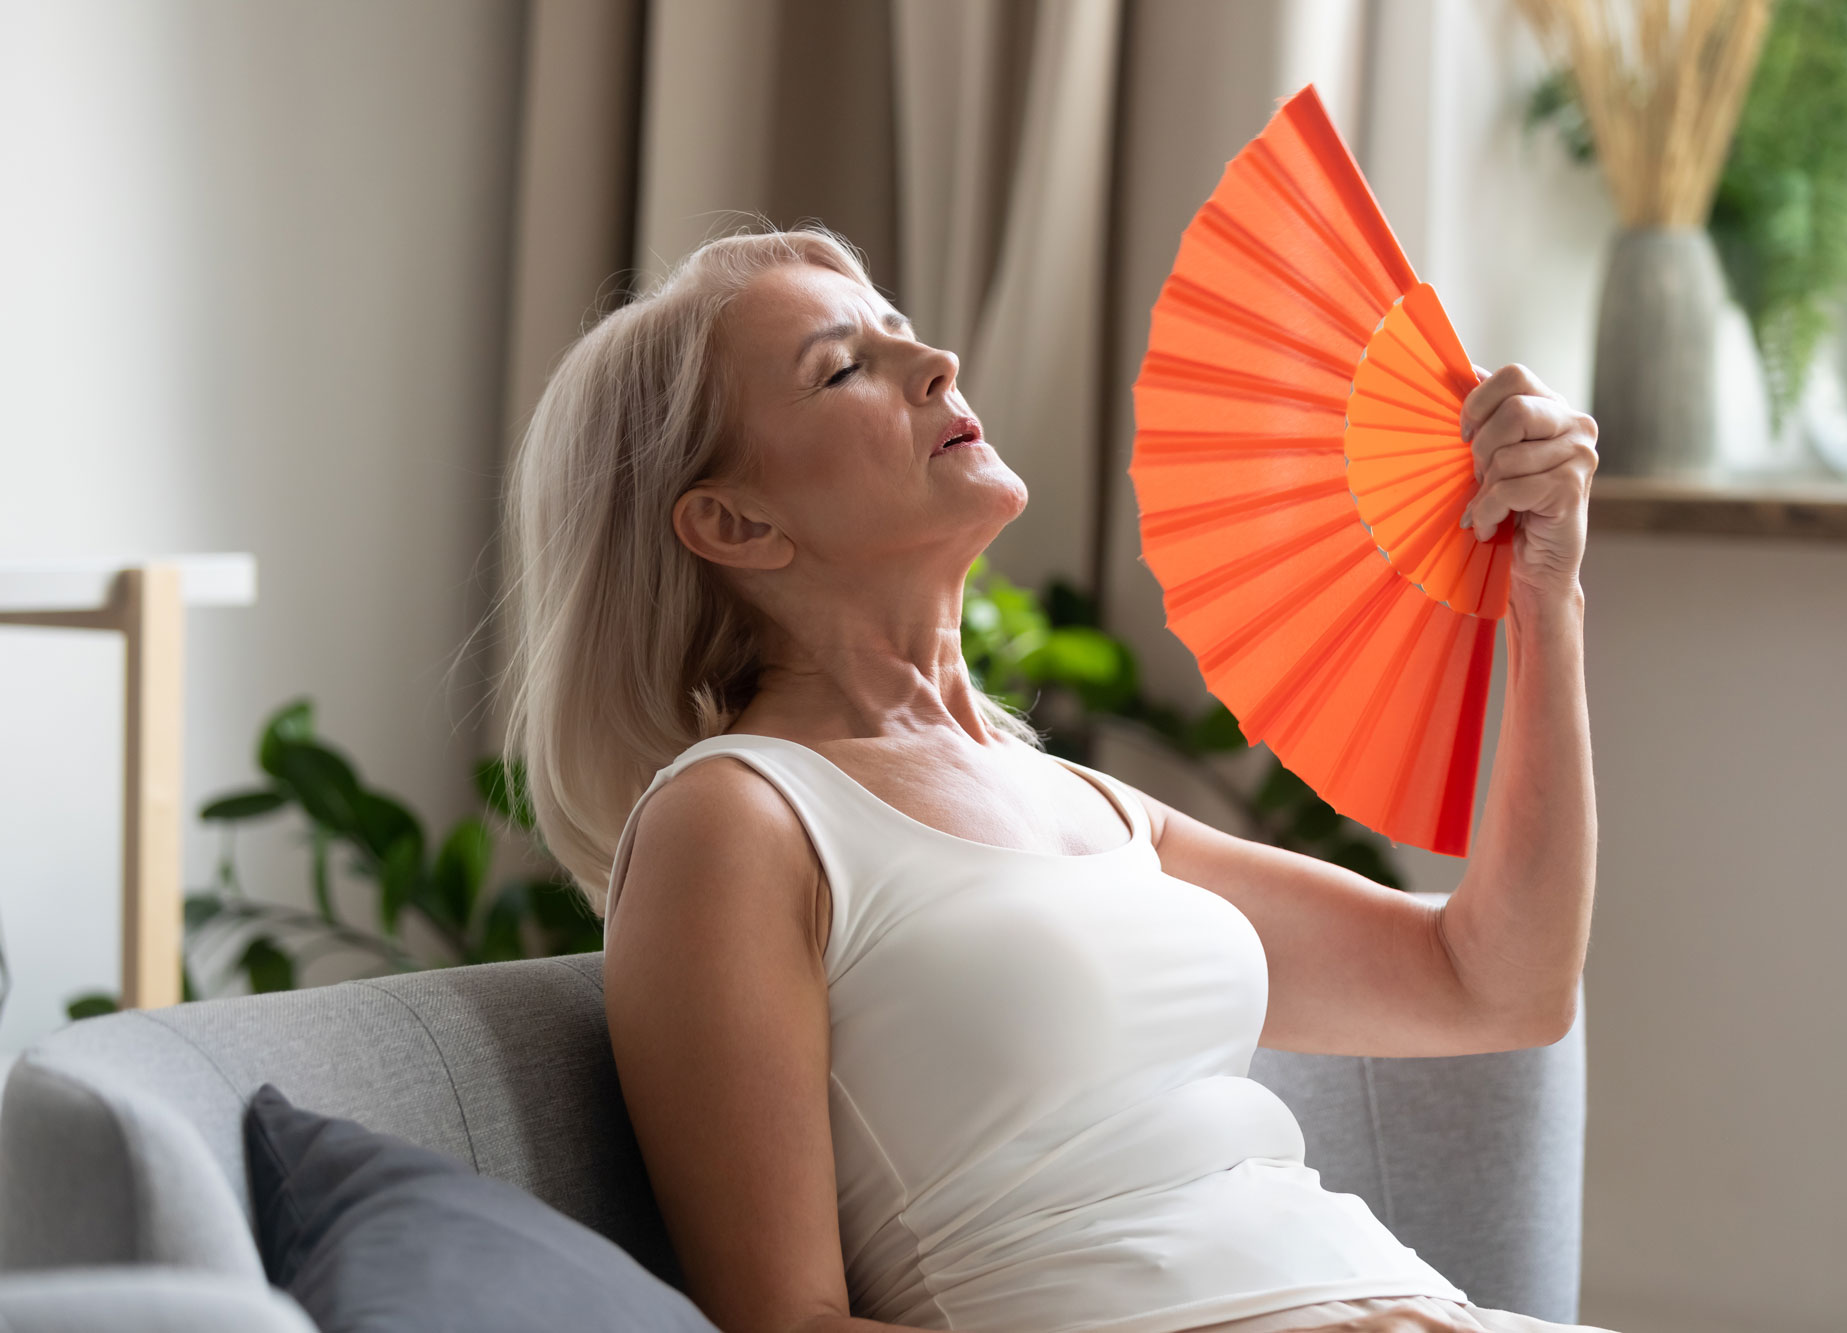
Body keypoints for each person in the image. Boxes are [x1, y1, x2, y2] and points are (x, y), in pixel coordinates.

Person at [498, 221, 1606, 1333]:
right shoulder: (738, 819)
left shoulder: (1083, 803)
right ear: (734, 522)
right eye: (843, 369)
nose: (935, 365)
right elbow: (787, 1327)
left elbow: (1493, 983)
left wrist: (1542, 596)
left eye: (903, 334)